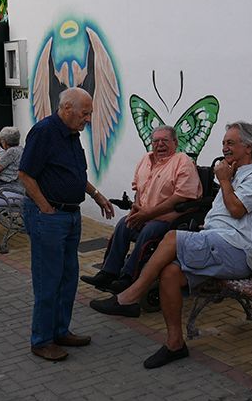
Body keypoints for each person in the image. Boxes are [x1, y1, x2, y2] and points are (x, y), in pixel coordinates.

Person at [91, 122, 252, 369]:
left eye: (231, 143)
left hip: (239, 251)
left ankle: (130, 297)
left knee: (171, 237)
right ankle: (175, 343)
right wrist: (228, 179)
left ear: (250, 147)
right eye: (224, 143)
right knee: (170, 273)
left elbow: (235, 209)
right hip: (217, 243)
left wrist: (224, 180)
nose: (225, 148)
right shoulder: (234, 173)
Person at [18, 88, 115, 362]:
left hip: (71, 216)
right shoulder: (44, 132)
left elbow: (74, 174)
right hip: (50, 217)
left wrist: (97, 195)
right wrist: (45, 208)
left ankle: (60, 330)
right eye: (85, 113)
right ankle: (42, 340)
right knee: (48, 279)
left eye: (90, 114)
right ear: (66, 108)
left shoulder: (72, 135)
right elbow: (25, 175)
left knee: (68, 277)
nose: (88, 119)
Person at [80, 125, 202, 294]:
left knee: (149, 231)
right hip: (144, 214)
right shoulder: (145, 160)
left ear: (175, 142)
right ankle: (108, 272)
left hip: (168, 218)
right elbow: (139, 190)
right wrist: (135, 211)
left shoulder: (182, 161)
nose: (160, 144)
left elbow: (180, 197)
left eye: (165, 141)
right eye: (156, 141)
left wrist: (148, 214)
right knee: (123, 224)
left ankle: (129, 277)